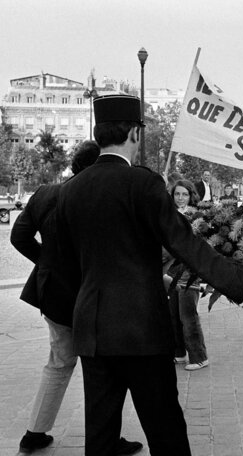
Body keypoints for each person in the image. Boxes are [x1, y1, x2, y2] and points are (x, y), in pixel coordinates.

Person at [56, 94, 243, 456]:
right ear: (135, 134)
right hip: (141, 328)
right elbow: (186, 244)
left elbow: (65, 264)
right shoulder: (141, 184)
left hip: (93, 329)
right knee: (165, 431)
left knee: (99, 432)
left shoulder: (70, 191)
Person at [10, 141, 143, 455]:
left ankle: (34, 433)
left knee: (58, 363)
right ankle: (107, 439)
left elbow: (19, 236)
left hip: (54, 296)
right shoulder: (102, 196)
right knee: (107, 370)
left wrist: (47, 263)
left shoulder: (44, 193)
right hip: (94, 295)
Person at [165, 180, 209, 371]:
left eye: (184, 194)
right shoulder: (167, 215)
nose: (181, 198)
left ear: (191, 196)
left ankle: (199, 356)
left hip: (189, 270)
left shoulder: (198, 216)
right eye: (177, 194)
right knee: (173, 313)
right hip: (170, 269)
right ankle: (179, 353)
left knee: (187, 315)